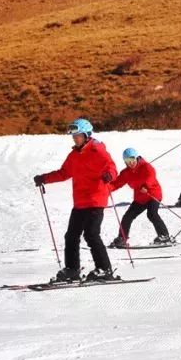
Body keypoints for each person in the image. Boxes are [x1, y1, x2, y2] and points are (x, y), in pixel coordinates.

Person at [33, 119, 117, 282]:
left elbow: (111, 168)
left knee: (91, 234)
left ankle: (105, 269)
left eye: (78, 135)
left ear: (86, 135)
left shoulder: (98, 151)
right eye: (73, 136)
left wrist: (110, 175)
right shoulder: (74, 156)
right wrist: (44, 178)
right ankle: (72, 269)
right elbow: (64, 173)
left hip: (95, 199)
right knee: (71, 236)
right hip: (80, 202)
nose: (75, 139)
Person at [108, 147, 171, 247]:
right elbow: (117, 183)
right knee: (127, 217)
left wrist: (146, 186)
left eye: (132, 159)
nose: (131, 163)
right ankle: (122, 238)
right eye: (127, 161)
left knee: (152, 214)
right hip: (140, 198)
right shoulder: (126, 173)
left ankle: (164, 236)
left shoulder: (146, 167)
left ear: (137, 158)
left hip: (152, 194)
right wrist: (107, 188)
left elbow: (151, 176)